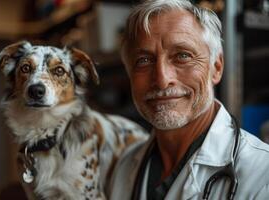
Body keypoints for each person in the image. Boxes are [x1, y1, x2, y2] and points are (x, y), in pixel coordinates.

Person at [107, 0, 269, 199]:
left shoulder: (262, 175)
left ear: (216, 68)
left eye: (182, 55)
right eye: (144, 60)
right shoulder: (125, 166)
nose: (162, 80)